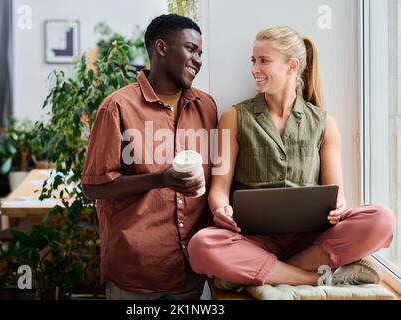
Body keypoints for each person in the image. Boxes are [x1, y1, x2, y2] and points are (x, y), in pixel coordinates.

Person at [187, 26, 396, 289]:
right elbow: (218, 190)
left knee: (383, 220)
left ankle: (260, 271)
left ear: (292, 66)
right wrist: (220, 210)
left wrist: (339, 206)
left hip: (310, 241)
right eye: (253, 60)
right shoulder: (234, 117)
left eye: (264, 60)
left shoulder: (324, 123)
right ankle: (312, 277)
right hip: (253, 239)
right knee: (201, 245)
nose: (254, 69)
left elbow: (337, 193)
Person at [81, 14, 217, 299]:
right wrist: (159, 180)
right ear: (161, 48)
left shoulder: (206, 106)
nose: (198, 59)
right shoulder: (117, 107)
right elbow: (92, 186)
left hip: (191, 270)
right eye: (191, 49)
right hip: (136, 270)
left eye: (200, 53)